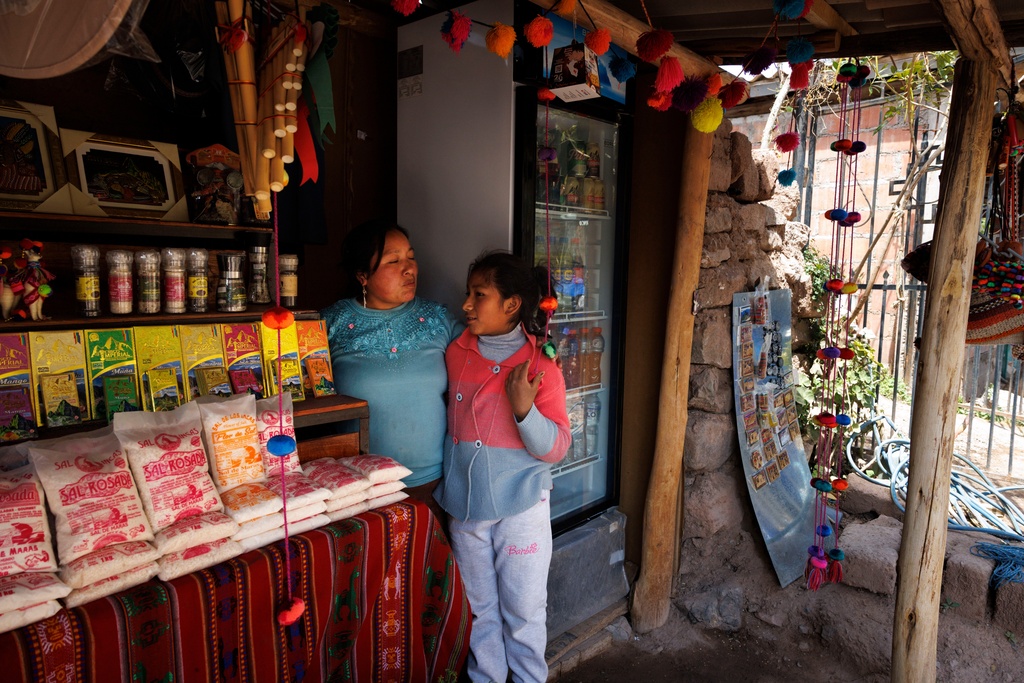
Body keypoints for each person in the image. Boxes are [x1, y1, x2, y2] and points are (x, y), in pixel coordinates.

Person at [435, 251, 570, 683]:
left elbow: (559, 446)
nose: (467, 305)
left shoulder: (540, 365)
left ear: (512, 304)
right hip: (466, 505)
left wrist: (525, 411)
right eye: (468, 294)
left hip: (521, 507)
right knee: (478, 611)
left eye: (480, 295)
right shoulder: (456, 352)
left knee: (524, 610)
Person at [321, 220, 461, 520]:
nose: (409, 268)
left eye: (411, 257)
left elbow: (487, 358)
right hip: (357, 490)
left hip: (432, 485)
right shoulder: (329, 324)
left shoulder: (438, 318)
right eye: (393, 261)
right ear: (362, 276)